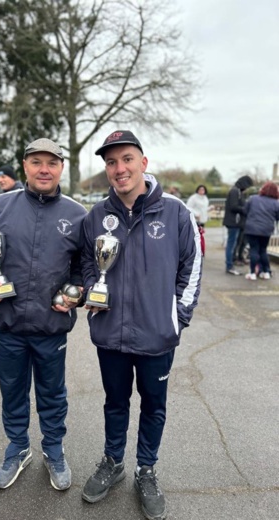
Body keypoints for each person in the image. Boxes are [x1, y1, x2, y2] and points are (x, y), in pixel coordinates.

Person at [81, 130, 202, 520]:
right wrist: (91, 291)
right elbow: (86, 264)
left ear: (143, 163)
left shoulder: (176, 212)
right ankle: (113, 462)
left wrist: (176, 319)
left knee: (153, 406)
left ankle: (145, 469)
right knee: (115, 403)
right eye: (112, 162)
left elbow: (192, 269)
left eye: (127, 159)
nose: (120, 169)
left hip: (157, 336)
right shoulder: (97, 216)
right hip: (110, 335)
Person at [0, 138, 87, 491]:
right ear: (24, 166)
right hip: (8, 323)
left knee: (53, 393)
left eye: (51, 162)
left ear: (61, 167)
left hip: (52, 326)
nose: (44, 169)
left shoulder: (77, 214)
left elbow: (84, 268)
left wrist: (76, 293)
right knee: (13, 391)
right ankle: (18, 448)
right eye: (37, 162)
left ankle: (53, 448)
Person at [244, 181, 279, 280]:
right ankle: (266, 272)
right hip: (266, 229)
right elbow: (277, 217)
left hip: (252, 228)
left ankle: (252, 273)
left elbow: (245, 211)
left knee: (254, 250)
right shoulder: (276, 203)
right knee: (263, 250)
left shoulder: (253, 199)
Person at [222, 175, 253, 275]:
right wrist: (244, 209)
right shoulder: (235, 191)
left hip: (235, 222)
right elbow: (233, 206)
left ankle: (230, 264)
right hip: (233, 222)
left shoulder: (237, 191)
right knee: (231, 245)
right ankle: (229, 266)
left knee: (233, 244)